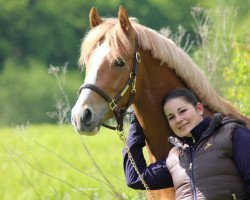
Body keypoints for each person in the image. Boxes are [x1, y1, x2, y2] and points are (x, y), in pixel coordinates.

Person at [123, 88, 250, 200]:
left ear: (199, 108)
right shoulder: (175, 158)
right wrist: (136, 124)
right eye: (171, 117)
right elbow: (135, 178)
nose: (178, 119)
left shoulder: (231, 133)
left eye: (182, 111)